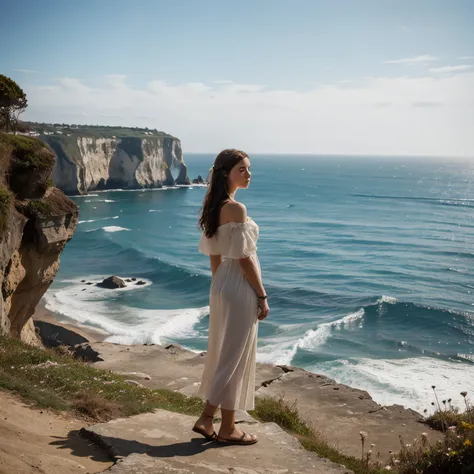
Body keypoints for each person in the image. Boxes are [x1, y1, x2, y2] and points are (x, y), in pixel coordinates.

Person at [192, 149, 269, 446]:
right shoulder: (236, 209)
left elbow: (215, 256)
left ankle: (225, 426)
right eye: (242, 169)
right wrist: (261, 295)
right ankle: (210, 418)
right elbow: (245, 259)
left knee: (227, 353)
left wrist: (221, 285)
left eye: (249, 169)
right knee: (234, 356)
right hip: (238, 285)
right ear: (227, 173)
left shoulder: (214, 205)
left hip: (222, 283)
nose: (248, 174)